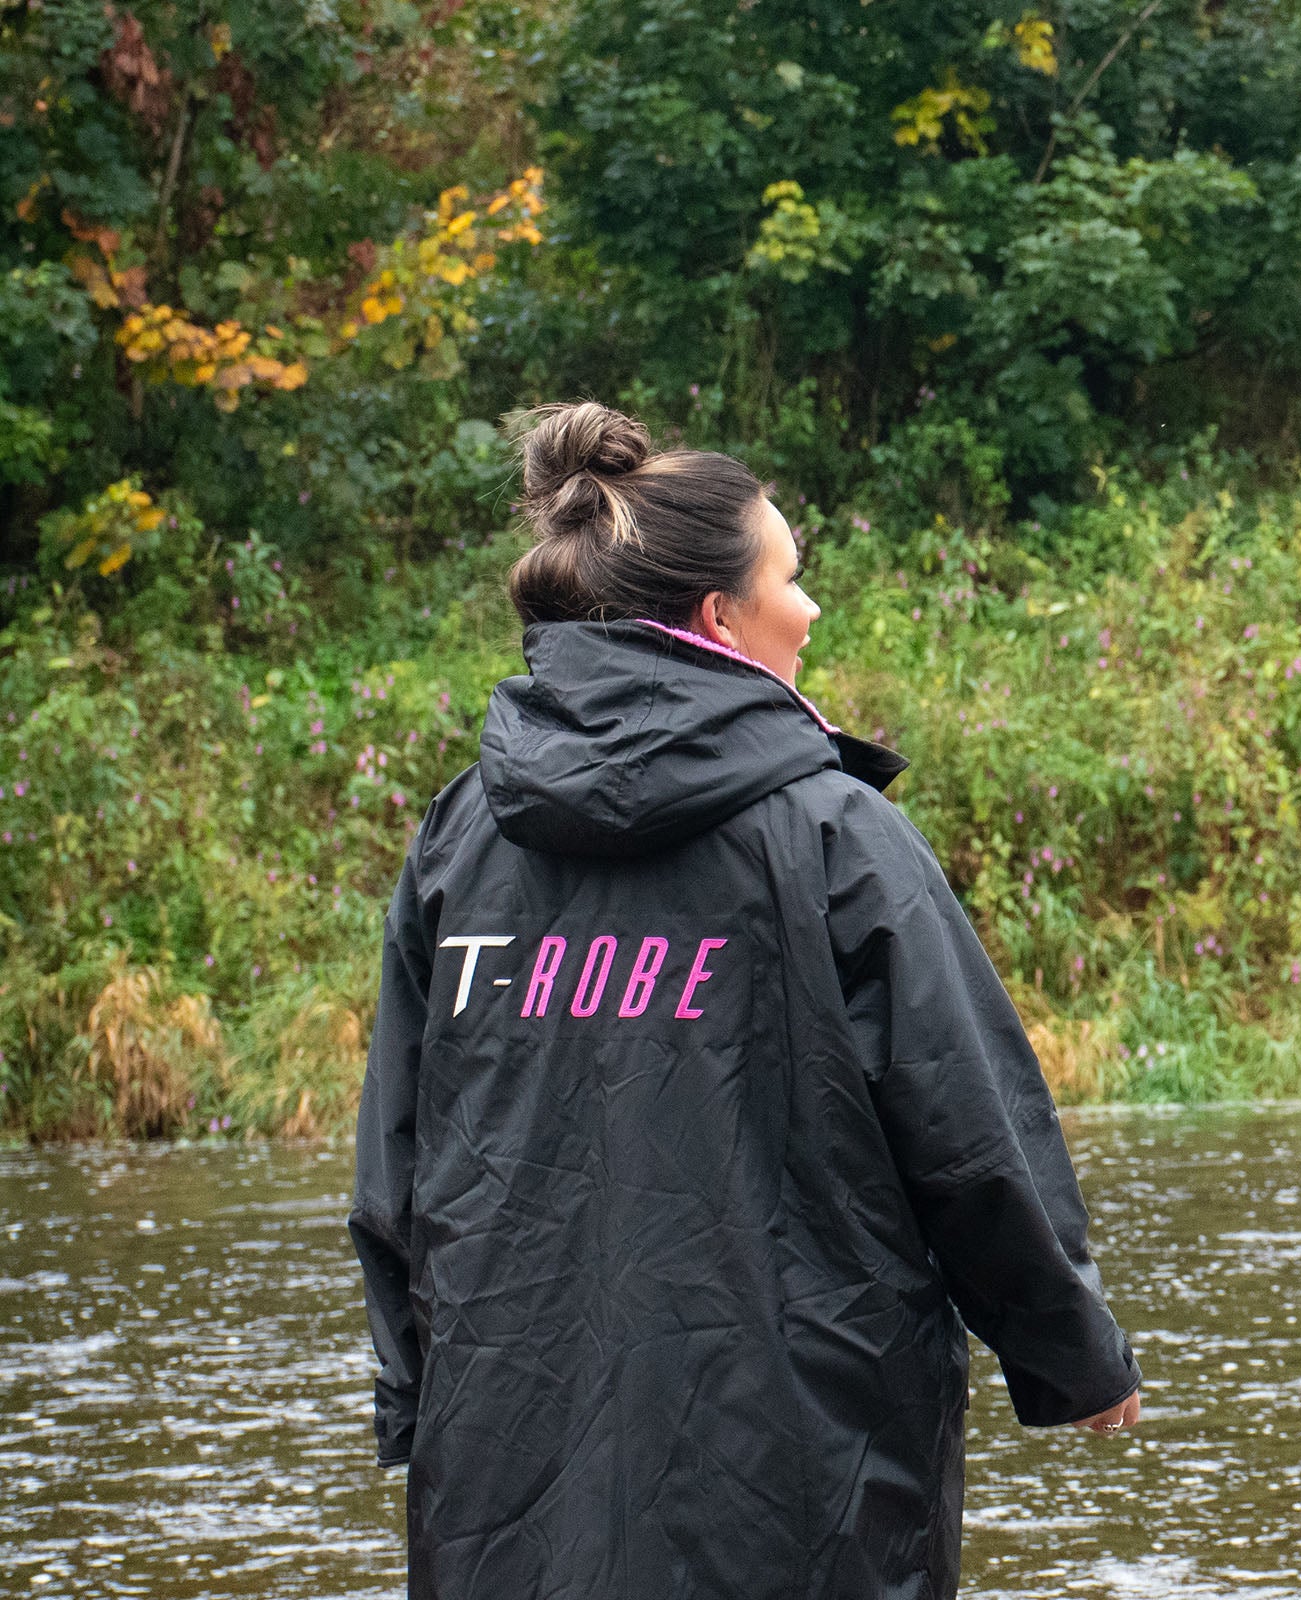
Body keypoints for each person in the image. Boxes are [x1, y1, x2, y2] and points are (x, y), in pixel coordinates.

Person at [350, 402, 1140, 1598]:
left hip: (502, 1477)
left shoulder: (461, 835)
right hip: (801, 1478)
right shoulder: (836, 834)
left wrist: (417, 1400)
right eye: (792, 576)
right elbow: (968, 1131)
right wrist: (1072, 1355)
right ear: (719, 616)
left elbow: (394, 1177)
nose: (810, 608)